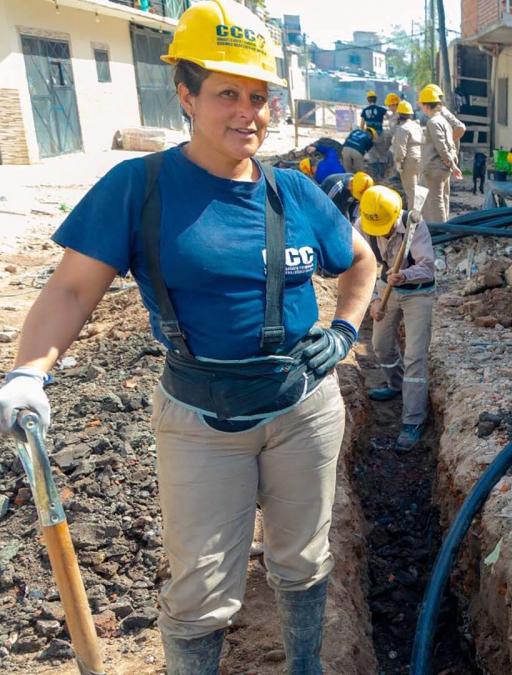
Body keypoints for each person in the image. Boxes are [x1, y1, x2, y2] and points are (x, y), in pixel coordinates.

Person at [0, 2, 376, 672]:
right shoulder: (139, 188)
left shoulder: (294, 191)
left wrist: (344, 330)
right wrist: (30, 370)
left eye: (258, 97)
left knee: (304, 558)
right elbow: (70, 290)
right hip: (203, 420)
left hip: (303, 411)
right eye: (227, 94)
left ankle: (308, 662)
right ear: (186, 95)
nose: (247, 113)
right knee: (201, 593)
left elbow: (363, 260)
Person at [358, 186, 437, 451]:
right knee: (380, 345)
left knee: (415, 355)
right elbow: (361, 267)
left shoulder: (414, 225)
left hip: (418, 292)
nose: (380, 232)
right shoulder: (363, 224)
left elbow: (427, 267)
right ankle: (395, 384)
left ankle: (413, 420)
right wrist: (374, 301)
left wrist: (404, 275)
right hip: (386, 290)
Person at [417, 85, 462, 224]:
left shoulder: (433, 122)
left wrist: (453, 165)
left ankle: (442, 231)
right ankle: (435, 227)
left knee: (436, 202)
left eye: (421, 105)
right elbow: (449, 145)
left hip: (435, 167)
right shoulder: (444, 121)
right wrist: (452, 164)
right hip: (441, 167)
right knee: (438, 199)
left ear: (426, 106)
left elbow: (441, 147)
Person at [390, 99, 423, 210]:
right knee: (418, 190)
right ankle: (420, 215)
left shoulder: (402, 128)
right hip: (420, 159)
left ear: (399, 114)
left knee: (411, 193)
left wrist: (399, 163)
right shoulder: (417, 126)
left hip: (409, 161)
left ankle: (412, 221)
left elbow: (400, 149)